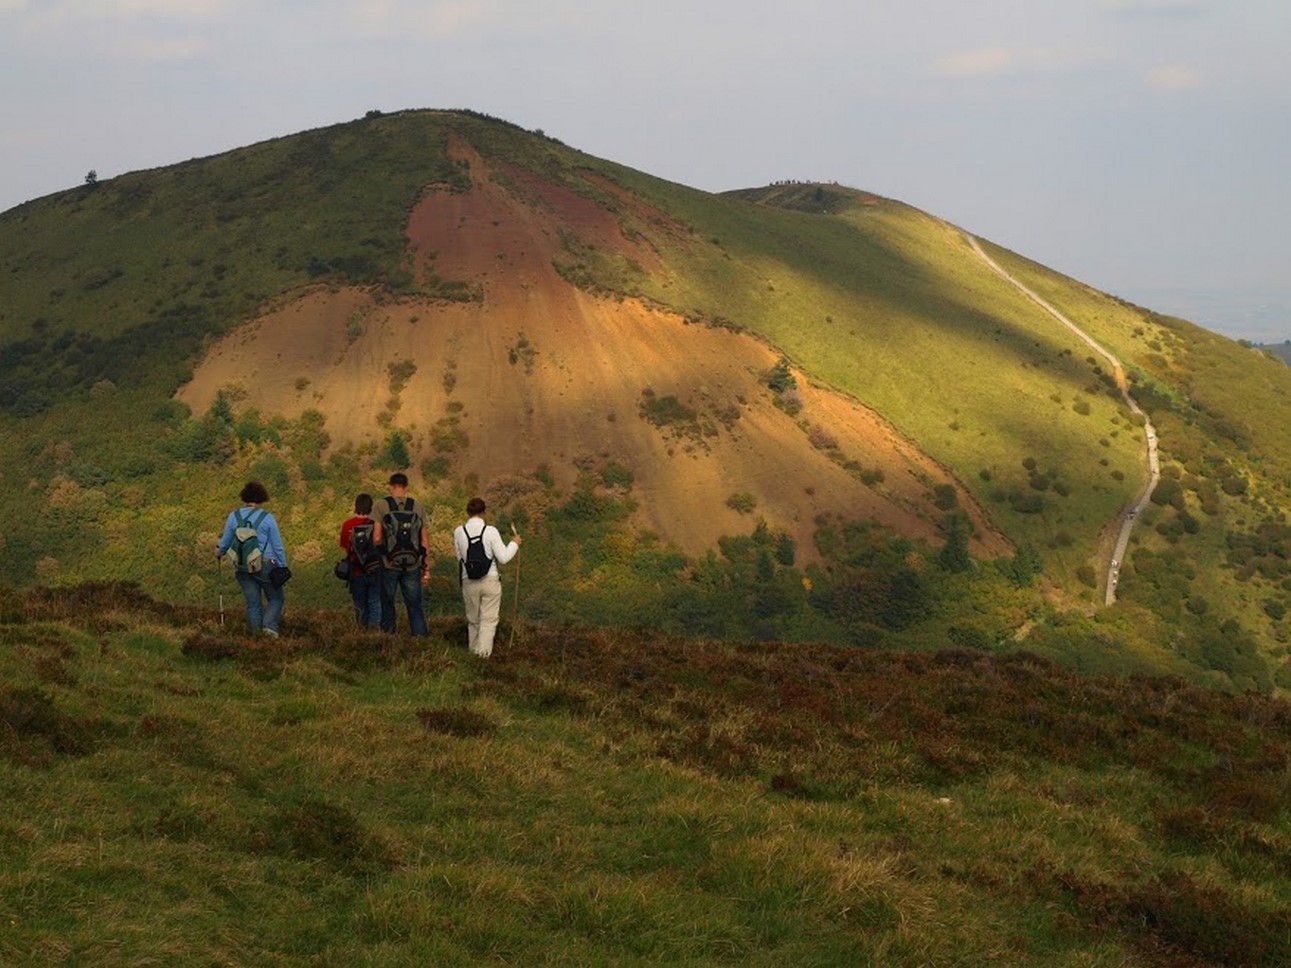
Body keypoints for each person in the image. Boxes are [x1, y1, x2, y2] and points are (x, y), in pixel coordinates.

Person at [216, 480, 288, 637]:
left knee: (253, 604)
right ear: (262, 498)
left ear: (244, 497)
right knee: (276, 599)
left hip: (243, 567)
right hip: (266, 565)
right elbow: (278, 546)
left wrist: (219, 552)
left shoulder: (233, 517)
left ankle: (256, 638)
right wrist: (283, 566)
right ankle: (269, 628)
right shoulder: (268, 518)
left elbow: (225, 542)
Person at [452, 497, 521, 658]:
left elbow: (459, 557)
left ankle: (472, 655)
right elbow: (503, 557)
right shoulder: (491, 531)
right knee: (488, 621)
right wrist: (515, 543)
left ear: (468, 512)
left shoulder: (459, 531)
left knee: (473, 621)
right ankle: (481, 657)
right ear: (484, 512)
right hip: (490, 579)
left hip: (468, 580)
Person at [374, 473, 429, 637]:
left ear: (390, 486)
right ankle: (420, 639)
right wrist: (426, 569)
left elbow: (376, 537)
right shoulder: (417, 507)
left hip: (389, 564)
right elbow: (424, 541)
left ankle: (389, 637)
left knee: (388, 602)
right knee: (414, 604)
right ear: (406, 487)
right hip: (413, 564)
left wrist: (382, 554)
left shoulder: (381, 505)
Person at [339, 492, 382, 629]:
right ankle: (375, 633)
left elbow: (345, 547)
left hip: (356, 571)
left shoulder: (347, 525)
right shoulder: (376, 524)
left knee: (360, 606)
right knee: (375, 602)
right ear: (371, 507)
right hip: (375, 569)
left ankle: (361, 634)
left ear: (356, 506)